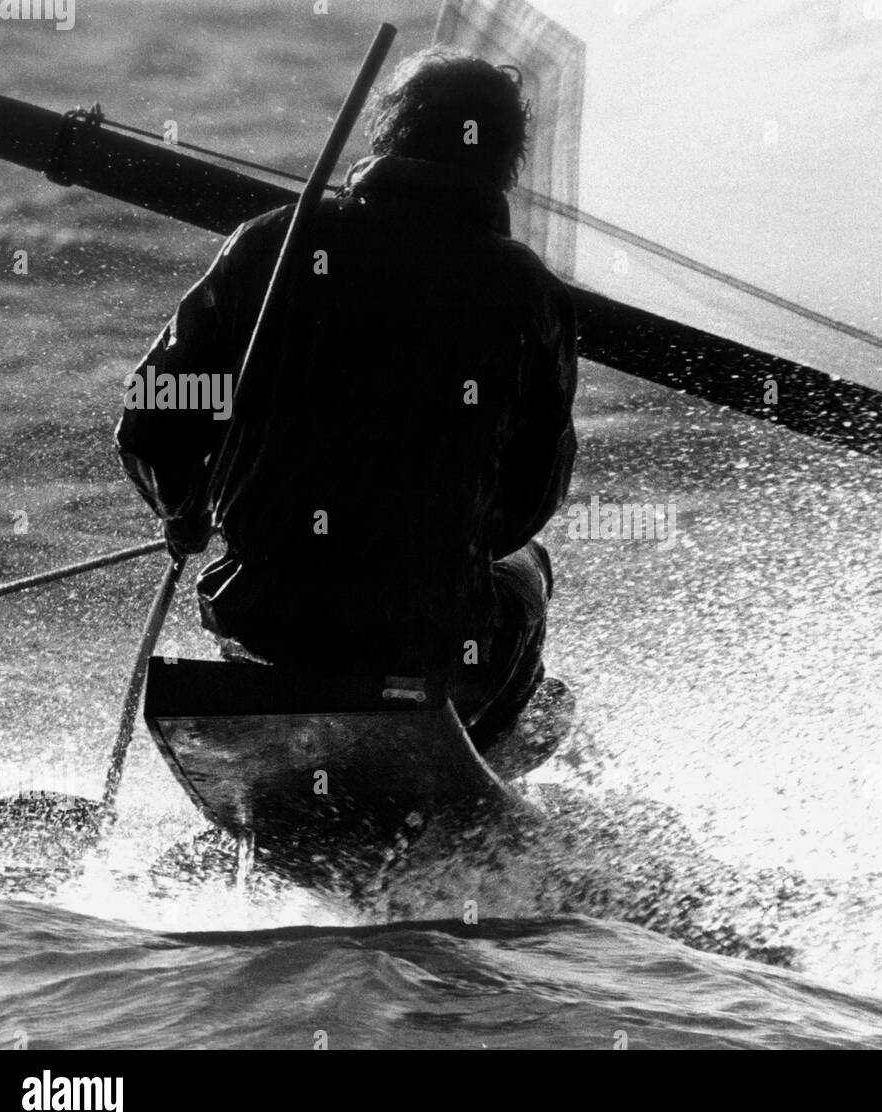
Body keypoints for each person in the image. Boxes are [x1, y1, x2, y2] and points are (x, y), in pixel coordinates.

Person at [115, 48, 578, 750]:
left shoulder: (274, 240)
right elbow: (530, 496)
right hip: (425, 635)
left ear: (391, 133)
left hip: (264, 616)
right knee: (527, 566)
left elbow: (154, 417)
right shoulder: (529, 290)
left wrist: (185, 510)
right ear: (506, 160)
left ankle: (302, 699)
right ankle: (490, 735)